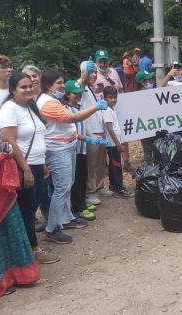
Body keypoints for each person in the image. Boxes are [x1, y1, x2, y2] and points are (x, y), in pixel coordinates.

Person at [37, 69, 109, 243]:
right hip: (57, 149)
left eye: (63, 82)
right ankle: (52, 228)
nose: (62, 85)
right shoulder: (47, 103)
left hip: (67, 146)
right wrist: (96, 107)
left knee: (67, 185)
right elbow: (72, 118)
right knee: (61, 188)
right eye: (59, 83)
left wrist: (87, 137)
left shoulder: (54, 99)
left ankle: (66, 218)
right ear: (48, 85)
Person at [0, 72, 60, 264]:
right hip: (22, 166)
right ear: (13, 90)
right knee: (26, 208)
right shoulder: (9, 109)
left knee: (33, 206)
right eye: (22, 87)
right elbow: (10, 143)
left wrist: (43, 165)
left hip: (37, 164)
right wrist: (25, 169)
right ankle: (33, 250)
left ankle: (28, 245)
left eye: (30, 86)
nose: (28, 89)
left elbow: (38, 136)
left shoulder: (30, 106)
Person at [0, 114, 39, 296]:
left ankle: (18, 275)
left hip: (1, 183)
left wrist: (7, 149)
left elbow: (1, 140)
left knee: (10, 228)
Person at [64, 80, 110, 221]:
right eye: (74, 94)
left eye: (79, 93)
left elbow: (84, 126)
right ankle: (77, 208)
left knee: (83, 176)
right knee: (76, 180)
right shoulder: (66, 109)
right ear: (67, 94)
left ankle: (82, 203)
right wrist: (88, 139)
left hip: (82, 149)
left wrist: (93, 136)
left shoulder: (79, 107)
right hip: (74, 149)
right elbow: (71, 132)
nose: (77, 96)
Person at [101, 86, 132, 198]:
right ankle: (119, 188)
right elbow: (110, 128)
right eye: (110, 97)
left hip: (114, 143)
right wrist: (118, 144)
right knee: (117, 166)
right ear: (104, 98)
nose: (113, 100)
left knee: (113, 165)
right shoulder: (107, 111)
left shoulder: (112, 109)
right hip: (113, 143)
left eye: (115, 97)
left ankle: (113, 185)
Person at [162, 61, 182, 144]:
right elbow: (162, 87)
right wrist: (168, 75)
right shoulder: (171, 83)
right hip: (176, 117)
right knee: (176, 139)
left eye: (179, 69)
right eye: (175, 70)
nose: (177, 72)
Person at [135, 70, 156, 164]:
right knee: (148, 150)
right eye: (149, 79)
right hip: (145, 128)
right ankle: (151, 170)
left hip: (156, 126)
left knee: (157, 148)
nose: (152, 81)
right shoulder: (136, 97)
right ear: (142, 82)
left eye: (152, 79)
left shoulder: (154, 93)